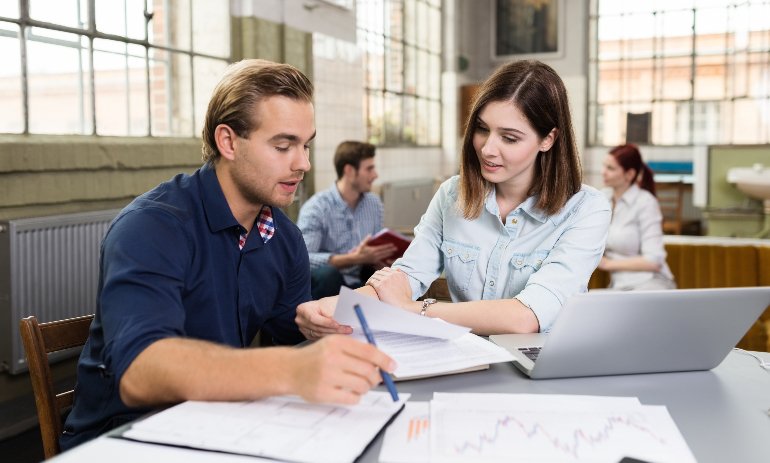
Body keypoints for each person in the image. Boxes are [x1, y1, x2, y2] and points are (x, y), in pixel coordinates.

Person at [60, 59, 395, 451]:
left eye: (306, 145)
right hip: (128, 439)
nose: (303, 163)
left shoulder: (282, 236)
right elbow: (139, 371)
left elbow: (296, 334)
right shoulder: (151, 227)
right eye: (283, 145)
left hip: (219, 422)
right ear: (228, 142)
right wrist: (292, 369)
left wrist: (325, 321)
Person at [295, 60, 612, 338]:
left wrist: (413, 310)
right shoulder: (451, 194)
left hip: (543, 366)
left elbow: (526, 317)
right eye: (482, 129)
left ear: (548, 139)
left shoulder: (586, 209)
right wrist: (335, 308)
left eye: (510, 138)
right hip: (469, 358)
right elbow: (407, 275)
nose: (487, 148)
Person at [297, 141, 396, 299]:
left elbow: (375, 247)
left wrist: (381, 259)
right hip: (329, 286)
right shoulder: (316, 208)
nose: (375, 175)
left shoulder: (374, 203)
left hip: (363, 281)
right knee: (327, 274)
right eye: (369, 169)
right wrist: (354, 258)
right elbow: (303, 259)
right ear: (349, 170)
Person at [597, 143, 676, 290]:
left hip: (650, 283)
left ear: (630, 174)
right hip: (619, 286)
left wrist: (606, 263)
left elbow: (654, 261)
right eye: (604, 166)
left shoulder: (645, 202)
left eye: (610, 168)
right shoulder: (602, 198)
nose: (603, 172)